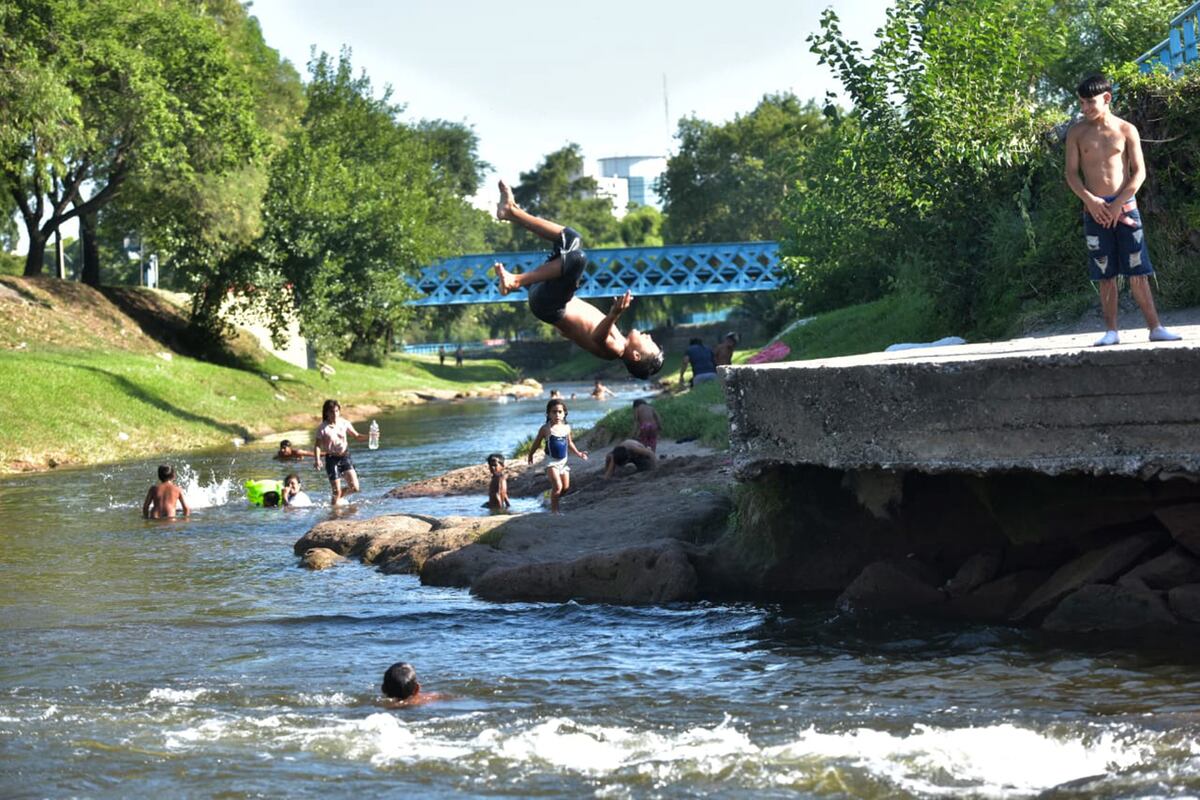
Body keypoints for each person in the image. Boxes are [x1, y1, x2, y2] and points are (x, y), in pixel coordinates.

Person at [491, 180, 664, 378]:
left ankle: (515, 281)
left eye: (649, 342)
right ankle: (511, 212)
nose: (649, 336)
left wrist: (614, 313)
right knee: (571, 238)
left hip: (551, 306)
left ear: (635, 356)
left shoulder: (615, 350)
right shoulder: (618, 340)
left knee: (578, 259)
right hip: (550, 301)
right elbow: (577, 332)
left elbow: (598, 337)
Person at [1066, 74, 1181, 347]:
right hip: (1095, 210)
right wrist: (1091, 201)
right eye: (1081, 103)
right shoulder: (1077, 132)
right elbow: (1071, 175)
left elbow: (1139, 173)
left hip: (1126, 207)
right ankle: (1112, 331)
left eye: (1089, 102)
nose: (1084, 108)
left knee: (1137, 269)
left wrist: (1119, 202)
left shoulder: (1127, 129)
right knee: (1105, 273)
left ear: (1106, 98)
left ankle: (1155, 327)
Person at [528, 398, 588, 514]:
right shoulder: (545, 429)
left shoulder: (567, 427)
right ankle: (555, 511)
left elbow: (569, 443)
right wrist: (531, 454)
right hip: (551, 462)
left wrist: (579, 453)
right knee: (558, 487)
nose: (557, 414)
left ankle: (548, 495)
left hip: (563, 462)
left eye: (560, 412)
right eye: (554, 412)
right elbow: (536, 442)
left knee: (565, 488)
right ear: (548, 414)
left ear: (564, 413)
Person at [314, 398, 366, 506]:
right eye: (332, 412)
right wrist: (317, 460)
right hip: (331, 459)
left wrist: (370, 436)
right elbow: (317, 446)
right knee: (336, 491)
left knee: (355, 488)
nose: (335, 414)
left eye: (337, 411)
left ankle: (336, 499)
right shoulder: (322, 428)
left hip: (345, 456)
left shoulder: (344, 423)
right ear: (327, 413)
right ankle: (334, 510)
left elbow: (357, 436)